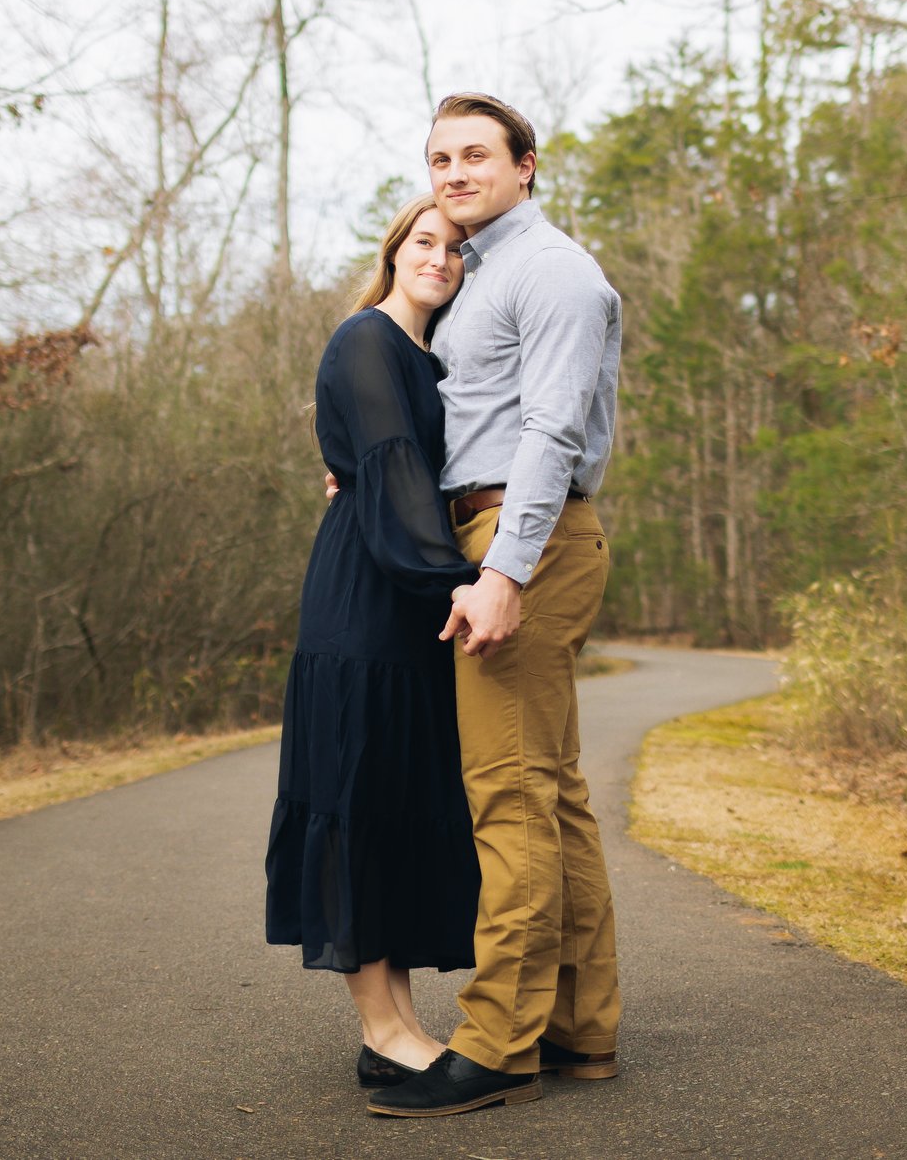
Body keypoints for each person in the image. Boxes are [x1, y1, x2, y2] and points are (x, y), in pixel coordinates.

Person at [366, 92, 624, 1120]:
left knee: (509, 795)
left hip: (526, 535)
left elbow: (553, 430)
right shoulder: (478, 271)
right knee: (550, 792)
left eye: (476, 154)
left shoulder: (552, 269)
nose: (454, 171)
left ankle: (499, 1040)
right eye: (438, 157)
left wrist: (507, 570)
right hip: (488, 528)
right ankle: (576, 1024)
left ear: (527, 164)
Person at [264, 196, 483, 1089]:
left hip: (408, 600)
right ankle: (383, 1029)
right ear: (395, 252)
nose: (439, 257)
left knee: (390, 810)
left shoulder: (436, 359)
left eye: (457, 248)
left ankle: (395, 1027)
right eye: (424, 241)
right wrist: (461, 582)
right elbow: (391, 470)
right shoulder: (366, 338)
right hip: (369, 597)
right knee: (353, 804)